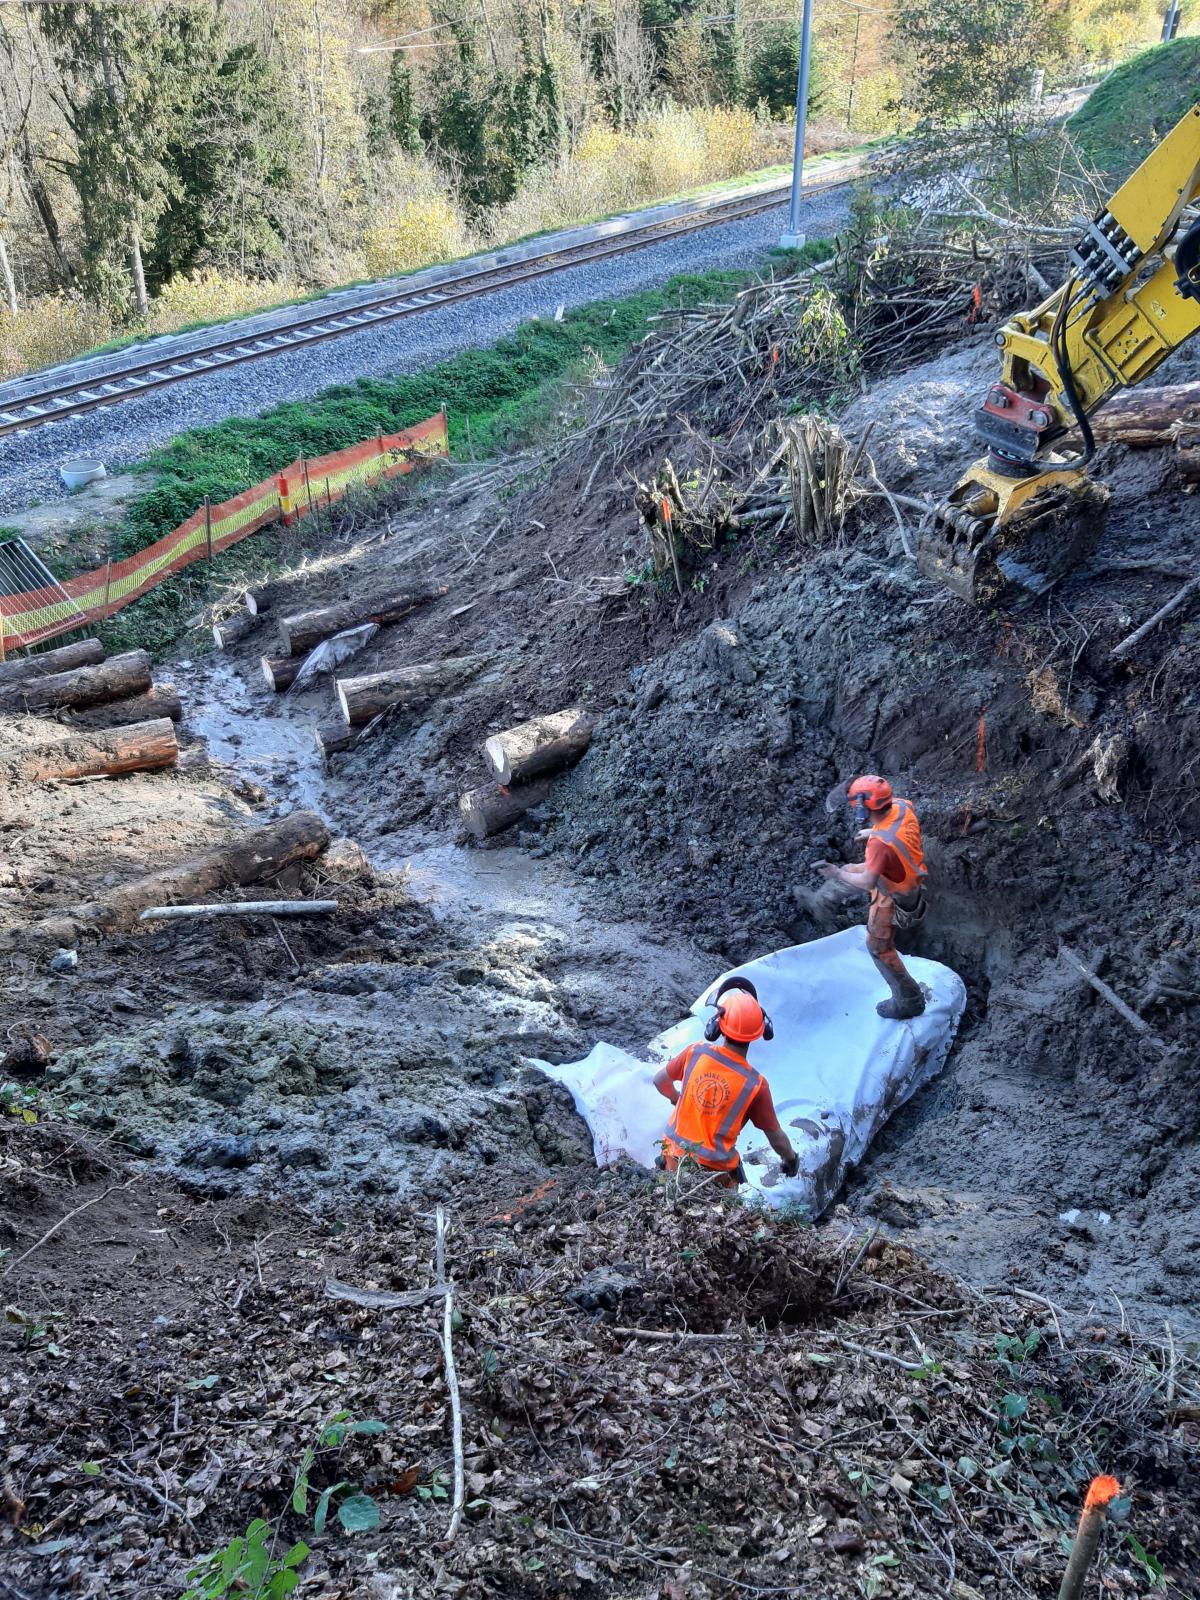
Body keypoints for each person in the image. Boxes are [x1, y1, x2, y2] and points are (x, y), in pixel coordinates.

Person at [652, 978, 800, 1187]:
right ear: (761, 1031)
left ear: (717, 1025)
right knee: (731, 1201)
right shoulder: (755, 1084)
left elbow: (660, 1082)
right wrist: (791, 1160)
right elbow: (776, 1137)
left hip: (673, 1160)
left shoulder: (695, 1053)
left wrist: (677, 1099)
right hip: (714, 1176)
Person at [815, 774, 928, 1021]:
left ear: (863, 808)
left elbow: (867, 881)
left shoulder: (880, 844)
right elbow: (895, 826)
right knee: (848, 871)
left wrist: (835, 873)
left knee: (877, 947)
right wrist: (873, 830)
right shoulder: (901, 805)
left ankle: (909, 1001)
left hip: (897, 893)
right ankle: (822, 902)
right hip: (898, 873)